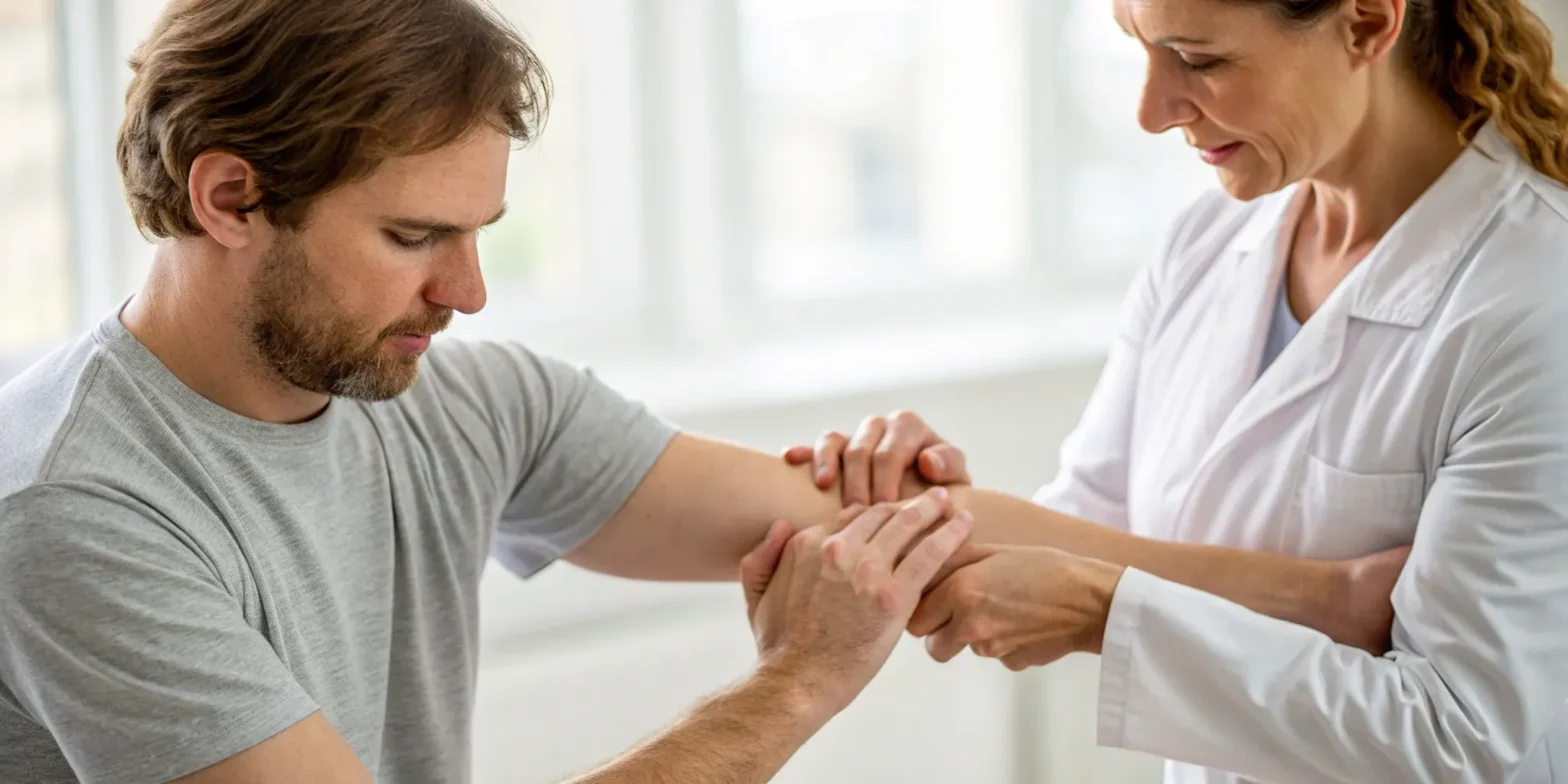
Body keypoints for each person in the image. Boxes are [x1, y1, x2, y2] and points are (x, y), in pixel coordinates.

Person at [0, 1, 1407, 782]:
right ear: (230, 198)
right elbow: (830, 624)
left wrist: (1323, 602)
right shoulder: (75, 508)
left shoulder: (450, 399)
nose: (470, 292)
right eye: (416, 239)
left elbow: (898, 537)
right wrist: (797, 685)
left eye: (480, 233)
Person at [785, 0, 1568, 781]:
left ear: (1366, 23)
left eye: (1200, 60)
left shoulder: (1536, 294)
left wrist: (1105, 609)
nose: (1151, 112)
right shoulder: (1204, 243)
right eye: (1141, 50)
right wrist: (927, 503)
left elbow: (1457, 733)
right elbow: (1081, 529)